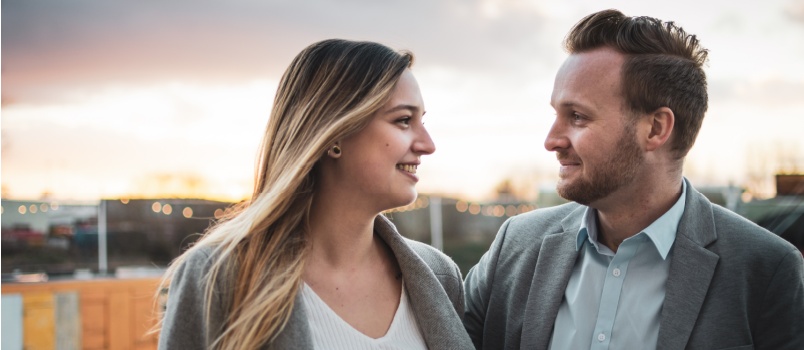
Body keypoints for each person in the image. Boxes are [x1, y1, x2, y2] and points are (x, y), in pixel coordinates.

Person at [464, 9, 804, 350]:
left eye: (578, 117)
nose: (552, 140)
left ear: (655, 129)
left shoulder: (766, 269)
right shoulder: (516, 244)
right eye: (557, 115)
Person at [156, 39, 473, 349]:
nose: (427, 145)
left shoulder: (438, 274)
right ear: (335, 133)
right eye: (403, 121)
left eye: (422, 122)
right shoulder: (217, 278)